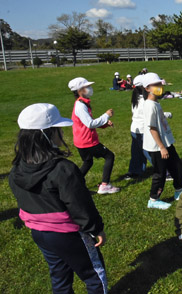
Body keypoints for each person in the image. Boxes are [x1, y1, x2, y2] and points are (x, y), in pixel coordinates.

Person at [9, 103, 108, 294]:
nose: (60, 135)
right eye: (57, 130)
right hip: (68, 234)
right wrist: (96, 229)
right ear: (47, 134)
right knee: (94, 274)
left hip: (39, 233)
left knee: (59, 276)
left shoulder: (17, 168)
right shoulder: (63, 169)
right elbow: (80, 206)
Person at [68, 77, 120, 194]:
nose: (90, 89)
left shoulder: (82, 104)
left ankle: (73, 185)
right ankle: (105, 185)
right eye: (87, 87)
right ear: (79, 90)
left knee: (88, 162)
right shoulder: (80, 106)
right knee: (109, 156)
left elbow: (87, 122)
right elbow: (90, 124)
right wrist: (106, 115)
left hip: (80, 141)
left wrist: (104, 124)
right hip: (87, 141)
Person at [142, 72, 182, 210]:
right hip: (157, 146)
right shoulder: (149, 105)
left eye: (160, 84)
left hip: (166, 142)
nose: (159, 86)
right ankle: (153, 199)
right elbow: (152, 128)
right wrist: (161, 147)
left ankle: (179, 191)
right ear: (147, 88)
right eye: (156, 85)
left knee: (176, 166)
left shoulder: (156, 103)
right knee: (160, 173)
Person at [124, 75, 152, 180]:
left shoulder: (136, 98)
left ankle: (136, 170)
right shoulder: (144, 100)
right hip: (141, 129)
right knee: (147, 152)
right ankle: (163, 170)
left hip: (137, 129)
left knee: (138, 152)